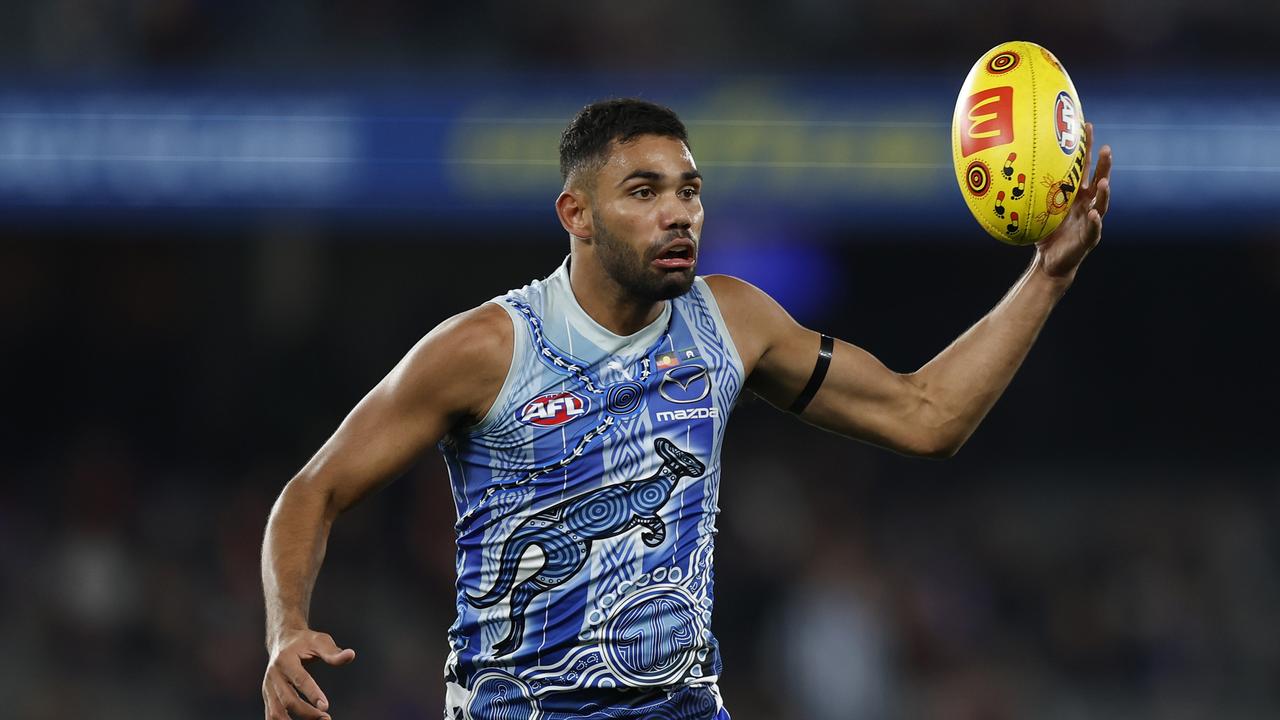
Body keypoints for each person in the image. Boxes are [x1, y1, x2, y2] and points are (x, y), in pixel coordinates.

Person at [261, 98, 1113, 720]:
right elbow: (313, 490)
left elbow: (927, 415)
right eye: (644, 191)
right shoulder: (488, 348)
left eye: (690, 190)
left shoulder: (732, 323)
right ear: (577, 215)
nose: (679, 213)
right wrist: (285, 629)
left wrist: (1048, 275)